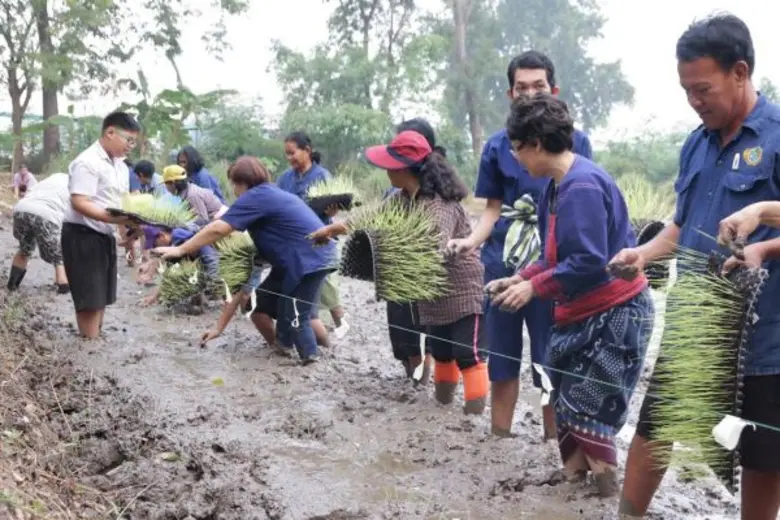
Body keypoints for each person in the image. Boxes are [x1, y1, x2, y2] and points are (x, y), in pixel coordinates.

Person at [614, 14, 780, 520]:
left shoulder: (775, 138)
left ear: (740, 72)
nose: (695, 100)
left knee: (762, 456)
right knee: (656, 426)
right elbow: (681, 226)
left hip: (765, 336)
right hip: (693, 322)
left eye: (703, 88)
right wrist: (643, 254)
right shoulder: (695, 143)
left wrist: (763, 245)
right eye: (687, 90)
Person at [485, 94, 653, 496]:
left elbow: (589, 262)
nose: (516, 156)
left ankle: (606, 491)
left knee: (587, 404)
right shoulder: (555, 188)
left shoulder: (581, 187)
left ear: (537, 144)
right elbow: (553, 255)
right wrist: (520, 277)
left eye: (517, 147)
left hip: (614, 314)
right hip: (583, 312)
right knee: (568, 400)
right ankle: (574, 484)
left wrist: (533, 288)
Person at [447, 50, 594, 439]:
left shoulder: (576, 142)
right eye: (521, 88)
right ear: (511, 94)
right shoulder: (499, 146)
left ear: (554, 90)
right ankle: (499, 437)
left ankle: (553, 443)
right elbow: (493, 211)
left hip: (553, 268)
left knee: (551, 358)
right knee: (502, 358)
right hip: (503, 265)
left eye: (538, 86)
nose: (530, 94)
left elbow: (579, 208)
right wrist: (470, 242)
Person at [310, 131, 489, 414]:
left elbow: (433, 246)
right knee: (442, 352)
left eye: (389, 165)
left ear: (405, 168)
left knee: (468, 354)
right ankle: (443, 412)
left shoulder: (437, 202)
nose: (384, 170)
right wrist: (332, 229)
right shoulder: (402, 197)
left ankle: (472, 419)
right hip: (431, 290)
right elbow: (368, 216)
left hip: (460, 287)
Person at [154, 156, 337, 366]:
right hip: (298, 261)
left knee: (296, 315)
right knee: (258, 307)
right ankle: (284, 348)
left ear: (242, 182)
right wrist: (218, 329)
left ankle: (312, 363)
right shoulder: (267, 202)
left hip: (307, 260)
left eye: (234, 184)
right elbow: (241, 286)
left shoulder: (255, 196)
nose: (234, 191)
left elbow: (218, 228)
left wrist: (181, 249)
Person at [61, 111, 141, 339]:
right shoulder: (88, 162)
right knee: (89, 298)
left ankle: (94, 341)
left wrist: (128, 231)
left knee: (102, 296)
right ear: (110, 132)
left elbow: (120, 204)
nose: (131, 146)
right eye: (129, 139)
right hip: (82, 235)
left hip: (103, 235)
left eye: (134, 141)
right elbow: (79, 202)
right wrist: (115, 220)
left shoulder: (121, 167)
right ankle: (89, 345)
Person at [382, 118, 442, 382]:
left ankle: (423, 382)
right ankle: (414, 378)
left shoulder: (439, 189)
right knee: (402, 330)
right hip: (397, 273)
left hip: (423, 274)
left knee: (423, 331)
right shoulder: (396, 191)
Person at [278, 131, 349, 340]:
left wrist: (332, 211)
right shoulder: (285, 178)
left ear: (307, 151)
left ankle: (342, 328)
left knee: (329, 288)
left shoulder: (322, 176)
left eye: (292, 153)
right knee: (306, 293)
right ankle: (314, 333)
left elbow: (334, 210)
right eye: (287, 154)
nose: (289, 158)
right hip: (294, 242)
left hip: (321, 241)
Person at [200, 260, 331, 349]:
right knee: (259, 312)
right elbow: (240, 293)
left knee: (305, 315)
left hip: (307, 266)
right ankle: (279, 348)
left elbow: (239, 295)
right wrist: (218, 329)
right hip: (283, 269)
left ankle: (323, 350)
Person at [7, 173, 70, 293]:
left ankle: (12, 285)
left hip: (21, 209)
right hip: (46, 214)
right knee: (58, 255)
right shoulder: (74, 186)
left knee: (25, 249)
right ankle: (63, 285)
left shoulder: (47, 181)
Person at [139, 225, 220, 306]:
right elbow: (169, 274)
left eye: (154, 244)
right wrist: (153, 297)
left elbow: (196, 248)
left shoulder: (177, 234)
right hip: (202, 265)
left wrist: (172, 250)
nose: (155, 246)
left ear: (161, 236)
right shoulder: (174, 246)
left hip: (214, 265)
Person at [162, 165, 227, 226]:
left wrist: (181, 221)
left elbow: (203, 220)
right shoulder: (186, 190)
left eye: (166, 183)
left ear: (172, 183)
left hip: (220, 220)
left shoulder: (192, 195)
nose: (166, 187)